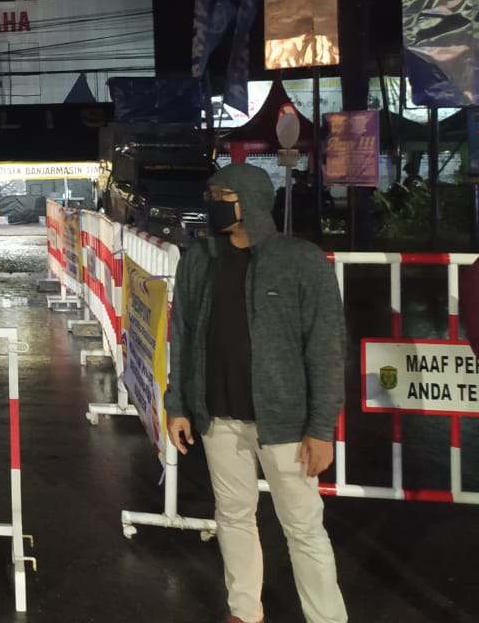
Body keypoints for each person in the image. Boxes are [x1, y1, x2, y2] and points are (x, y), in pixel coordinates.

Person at [165, 162, 347, 623]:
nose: (213, 204)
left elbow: (326, 348)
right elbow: (182, 334)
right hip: (218, 418)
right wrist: (177, 403)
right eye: (211, 195)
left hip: (286, 425)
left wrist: (321, 428)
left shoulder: (300, 261)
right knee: (233, 518)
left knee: (303, 528)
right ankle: (244, 611)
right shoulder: (199, 259)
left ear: (252, 201)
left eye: (223, 196)